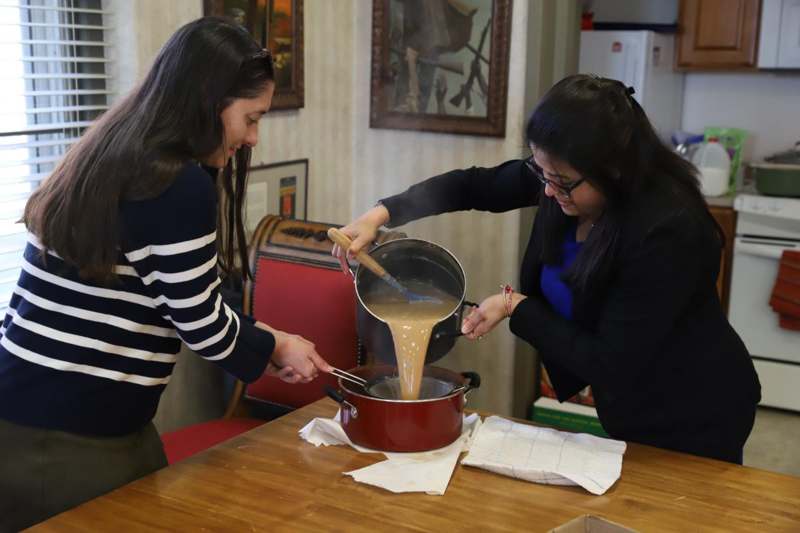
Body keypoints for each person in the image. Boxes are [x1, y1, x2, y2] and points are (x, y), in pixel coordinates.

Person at [0, 17, 331, 530]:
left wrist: (272, 339)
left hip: (39, 412)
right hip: (63, 438)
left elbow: (179, 298)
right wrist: (278, 347)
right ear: (208, 101)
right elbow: (202, 326)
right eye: (251, 118)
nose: (253, 138)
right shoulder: (177, 184)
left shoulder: (109, 151)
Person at [334, 74, 760, 464]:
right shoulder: (560, 175)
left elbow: (611, 362)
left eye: (563, 181)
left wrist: (516, 307)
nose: (549, 190)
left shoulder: (669, 230)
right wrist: (381, 213)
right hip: (627, 402)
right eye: (542, 173)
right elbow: (472, 185)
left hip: (692, 407)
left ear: (614, 169)